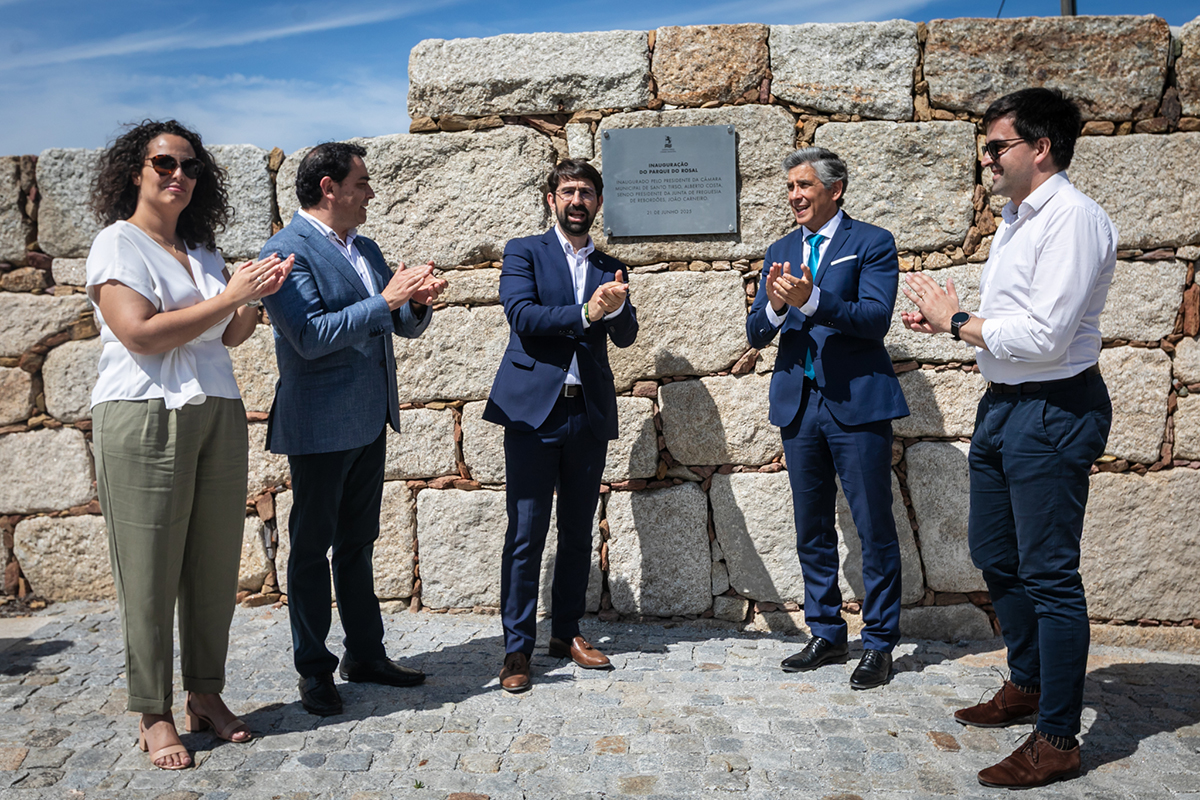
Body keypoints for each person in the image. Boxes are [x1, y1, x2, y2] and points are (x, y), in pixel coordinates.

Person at [901, 88, 1115, 789]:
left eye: (997, 146)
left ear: (1040, 147)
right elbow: (1013, 321)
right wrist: (953, 323)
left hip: (1054, 409)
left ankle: (1057, 739)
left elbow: (1048, 337)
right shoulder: (1018, 221)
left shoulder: (1073, 220)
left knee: (1050, 574)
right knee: (995, 552)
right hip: (1005, 405)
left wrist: (959, 320)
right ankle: (1027, 682)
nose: (986, 158)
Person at [86, 120, 293, 769]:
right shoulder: (117, 244)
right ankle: (153, 713)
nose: (179, 175)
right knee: (148, 570)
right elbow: (141, 334)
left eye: (190, 166)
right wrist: (229, 296)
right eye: (165, 163)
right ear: (135, 171)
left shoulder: (201, 249)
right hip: (142, 412)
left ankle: (205, 694)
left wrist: (253, 300)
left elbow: (229, 335)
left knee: (212, 564)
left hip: (217, 409)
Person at [260, 142, 446, 717]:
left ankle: (365, 654)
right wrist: (387, 300)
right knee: (311, 550)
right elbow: (309, 336)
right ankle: (314, 669)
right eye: (361, 183)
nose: (369, 193)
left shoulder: (365, 247)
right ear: (329, 188)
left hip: (369, 418)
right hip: (319, 425)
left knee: (358, 544)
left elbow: (397, 322)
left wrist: (416, 303)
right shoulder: (285, 251)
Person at [746, 147, 909, 691]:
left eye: (804, 185)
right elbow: (756, 332)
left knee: (873, 526)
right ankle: (826, 631)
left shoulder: (872, 242)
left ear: (834, 190)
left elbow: (875, 319)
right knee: (811, 525)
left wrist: (813, 299)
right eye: (791, 186)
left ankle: (879, 643)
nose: (795, 195)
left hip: (856, 404)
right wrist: (775, 307)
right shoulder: (780, 250)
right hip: (798, 404)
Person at [483, 159, 638, 693]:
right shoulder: (525, 251)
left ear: (598, 202)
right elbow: (522, 315)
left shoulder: (612, 266)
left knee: (577, 530)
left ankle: (566, 632)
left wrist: (613, 310)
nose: (577, 201)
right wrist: (586, 312)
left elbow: (626, 336)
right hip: (533, 413)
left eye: (587, 192)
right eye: (568, 191)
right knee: (526, 533)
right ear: (552, 199)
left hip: (586, 413)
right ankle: (516, 648)